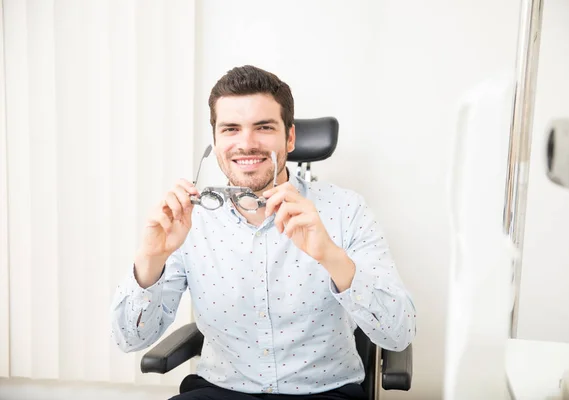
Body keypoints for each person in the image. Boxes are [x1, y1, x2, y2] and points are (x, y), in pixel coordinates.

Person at [110, 65, 416, 400]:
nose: (246, 143)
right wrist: (151, 260)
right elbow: (129, 339)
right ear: (215, 140)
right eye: (230, 129)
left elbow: (398, 334)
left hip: (323, 394)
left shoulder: (346, 210)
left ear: (290, 137)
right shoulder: (188, 220)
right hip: (221, 391)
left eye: (264, 127)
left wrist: (330, 255)